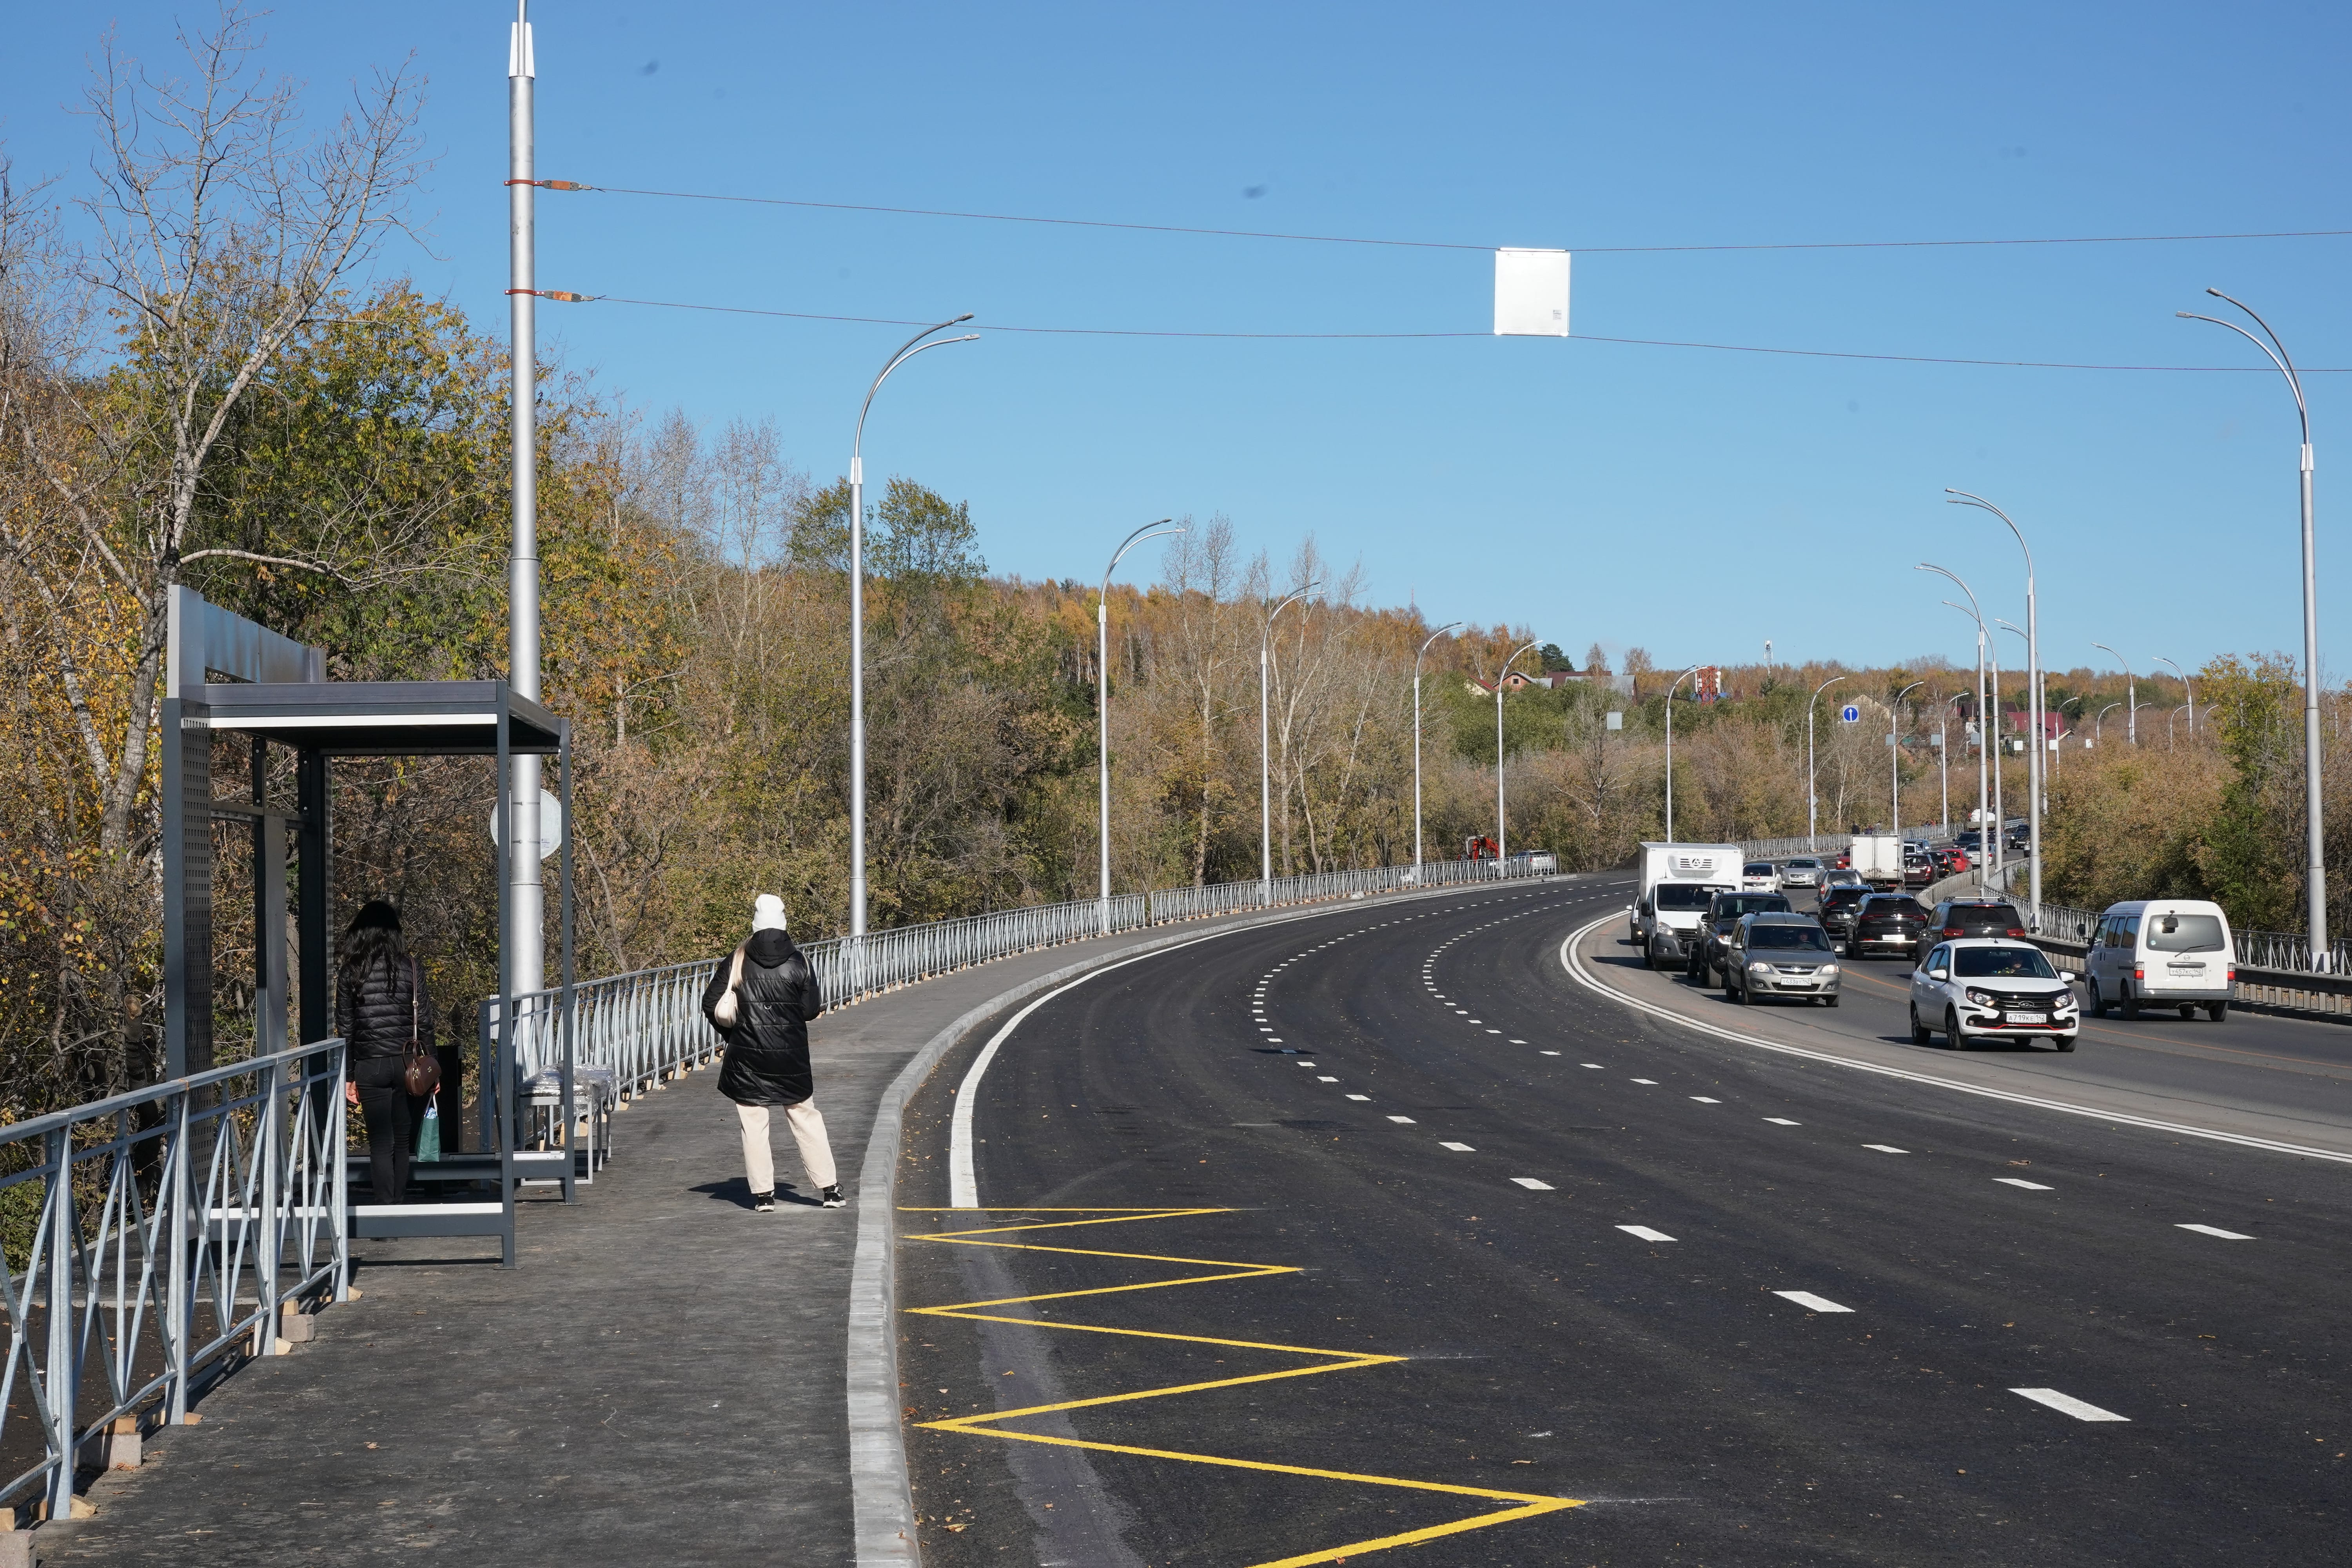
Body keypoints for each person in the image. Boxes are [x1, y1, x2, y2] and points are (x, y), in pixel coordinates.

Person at [701, 894, 840, 1212]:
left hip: (748, 1057)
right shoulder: (800, 961)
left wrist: (734, 1036)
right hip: (790, 1056)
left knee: (754, 1124)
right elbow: (810, 1010)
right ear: (783, 923)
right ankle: (830, 1190)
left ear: (755, 924)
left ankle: (764, 1195)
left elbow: (711, 1003)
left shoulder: (737, 959)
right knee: (805, 1119)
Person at [335, 900, 433, 1204]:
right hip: (407, 1064)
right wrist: (432, 1068)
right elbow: (425, 1021)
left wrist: (349, 1075)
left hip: (369, 1065)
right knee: (402, 1140)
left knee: (380, 1141)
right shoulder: (411, 967)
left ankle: (384, 1206)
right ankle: (398, 1203)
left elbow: (346, 1028)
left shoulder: (350, 972)